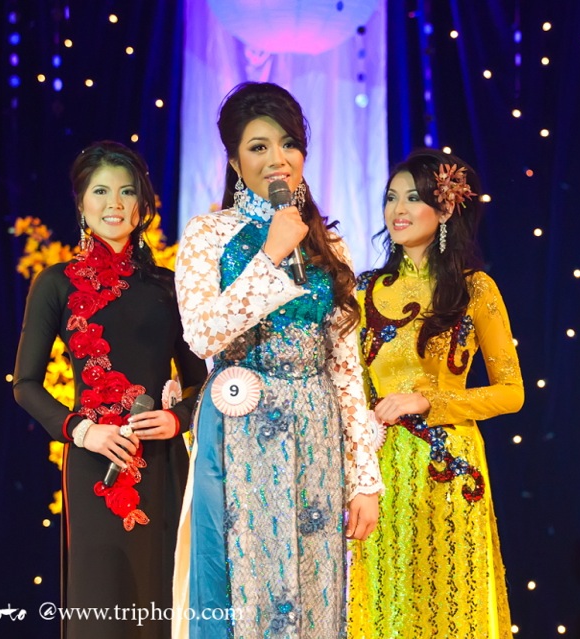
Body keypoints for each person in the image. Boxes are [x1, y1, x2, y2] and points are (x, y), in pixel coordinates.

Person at [170, 81, 383, 638]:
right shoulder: (206, 234)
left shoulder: (328, 245)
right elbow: (202, 333)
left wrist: (364, 478)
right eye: (258, 147)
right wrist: (270, 254)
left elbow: (345, 369)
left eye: (288, 144)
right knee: (248, 588)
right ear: (235, 161)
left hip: (316, 428)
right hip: (241, 428)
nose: (276, 159)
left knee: (315, 592)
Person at [13, 140, 207, 638]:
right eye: (101, 191)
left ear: (141, 205)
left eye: (126, 192)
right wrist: (82, 432)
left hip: (162, 462)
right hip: (93, 463)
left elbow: (201, 382)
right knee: (100, 605)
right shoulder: (55, 283)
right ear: (81, 203)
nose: (114, 204)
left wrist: (177, 419)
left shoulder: (170, 285)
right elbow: (27, 385)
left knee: (162, 602)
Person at [347, 149, 524, 639]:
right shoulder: (365, 292)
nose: (397, 209)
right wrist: (357, 473)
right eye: (390, 198)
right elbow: (355, 395)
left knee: (452, 607)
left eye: (414, 198)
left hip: (450, 469)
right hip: (382, 472)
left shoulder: (474, 289)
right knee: (387, 605)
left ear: (445, 211)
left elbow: (512, 393)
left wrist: (433, 401)